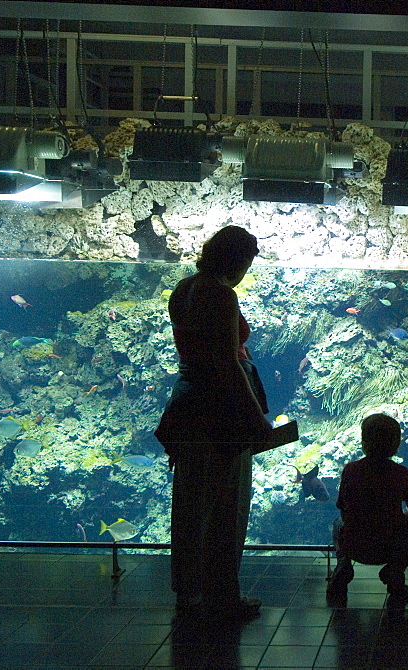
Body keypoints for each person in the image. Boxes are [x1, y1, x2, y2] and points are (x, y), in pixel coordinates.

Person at [154, 225, 272, 622]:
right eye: (248, 261)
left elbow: (202, 352)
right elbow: (228, 366)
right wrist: (257, 421)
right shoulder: (222, 294)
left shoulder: (184, 288)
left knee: (190, 503)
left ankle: (189, 592)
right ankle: (223, 596)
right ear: (237, 259)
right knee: (226, 505)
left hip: (188, 406)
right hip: (220, 413)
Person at [327, 413, 408, 609]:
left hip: (356, 546)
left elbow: (344, 510)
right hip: (390, 547)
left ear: (364, 441)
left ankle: (343, 563)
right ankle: (395, 570)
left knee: (338, 523)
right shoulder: (400, 473)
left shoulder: (351, 470)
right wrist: (400, 518)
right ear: (396, 443)